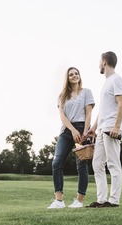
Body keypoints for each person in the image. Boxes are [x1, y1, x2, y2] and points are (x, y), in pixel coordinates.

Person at [47, 67, 95, 209]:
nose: (74, 76)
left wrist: (85, 132)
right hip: (67, 131)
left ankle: (79, 201)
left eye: (76, 73)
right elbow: (62, 116)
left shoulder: (86, 92)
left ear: (79, 76)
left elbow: (88, 114)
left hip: (82, 129)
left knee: (81, 166)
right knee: (56, 163)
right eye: (71, 74)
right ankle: (59, 201)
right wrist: (72, 130)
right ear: (67, 78)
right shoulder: (62, 96)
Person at [86, 51, 122, 208]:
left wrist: (116, 126)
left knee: (113, 164)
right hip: (102, 129)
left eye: (99, 62)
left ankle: (114, 201)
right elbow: (103, 110)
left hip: (111, 128)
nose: (98, 65)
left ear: (104, 62)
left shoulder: (117, 79)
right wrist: (93, 128)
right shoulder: (106, 82)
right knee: (97, 165)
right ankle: (101, 199)